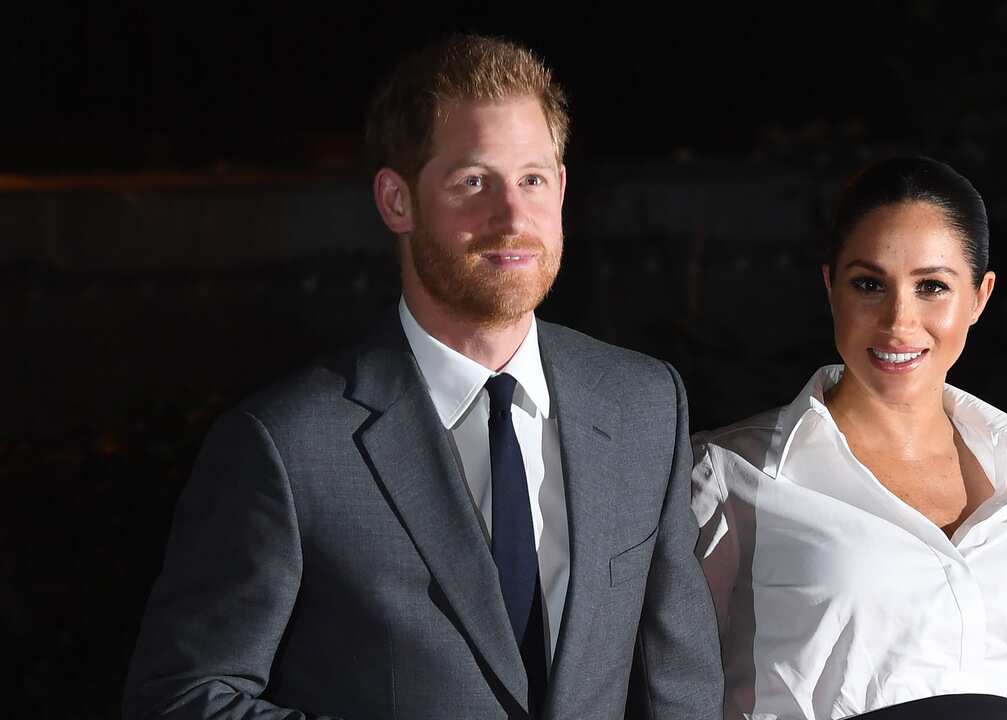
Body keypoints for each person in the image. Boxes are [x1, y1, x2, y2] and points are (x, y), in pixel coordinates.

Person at [123, 34, 722, 720]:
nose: (512, 217)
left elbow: (680, 686)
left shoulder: (645, 404)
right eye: (473, 181)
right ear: (397, 201)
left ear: (560, 187)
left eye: (532, 178)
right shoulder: (285, 447)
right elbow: (182, 699)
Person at [692, 157, 1007, 719]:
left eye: (932, 287)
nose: (899, 319)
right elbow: (666, 686)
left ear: (979, 297)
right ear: (831, 287)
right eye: (869, 284)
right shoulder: (731, 475)